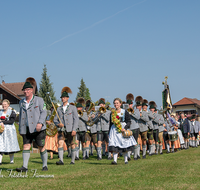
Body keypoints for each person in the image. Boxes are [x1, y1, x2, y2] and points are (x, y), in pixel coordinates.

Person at [16, 77, 47, 172]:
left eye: (28, 90)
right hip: (26, 128)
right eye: (24, 90)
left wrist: (40, 123)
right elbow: (21, 115)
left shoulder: (39, 100)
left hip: (38, 128)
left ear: (32, 90)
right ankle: (24, 167)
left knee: (41, 146)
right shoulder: (21, 102)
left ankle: (45, 165)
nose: (26, 92)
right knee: (26, 145)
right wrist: (20, 128)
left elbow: (44, 112)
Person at [53, 86, 78, 165]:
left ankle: (73, 161)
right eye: (62, 97)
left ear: (68, 98)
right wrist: (58, 124)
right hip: (61, 130)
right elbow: (55, 120)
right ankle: (61, 161)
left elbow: (76, 119)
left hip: (70, 129)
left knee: (72, 144)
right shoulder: (58, 109)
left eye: (64, 97)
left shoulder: (73, 108)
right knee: (60, 143)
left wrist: (74, 129)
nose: (62, 99)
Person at [109, 98, 136, 165]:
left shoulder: (124, 111)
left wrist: (125, 127)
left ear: (120, 104)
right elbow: (111, 123)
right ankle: (115, 160)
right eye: (115, 103)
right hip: (114, 130)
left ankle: (126, 160)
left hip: (122, 128)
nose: (116, 104)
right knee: (115, 144)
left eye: (117, 103)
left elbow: (129, 121)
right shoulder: (112, 112)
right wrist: (109, 131)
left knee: (124, 144)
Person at [0, 99, 20, 164]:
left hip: (10, 131)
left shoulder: (12, 112)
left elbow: (11, 121)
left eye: (5, 104)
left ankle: (11, 160)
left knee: (10, 144)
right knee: (1, 144)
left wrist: (2, 121)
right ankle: (0, 161)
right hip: (1, 131)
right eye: (3, 104)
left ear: (8, 105)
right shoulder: (0, 112)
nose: (4, 106)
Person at [126, 93, 140, 161]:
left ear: (132, 104)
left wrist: (132, 112)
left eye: (130, 104)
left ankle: (135, 155)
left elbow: (138, 117)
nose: (129, 105)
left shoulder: (136, 110)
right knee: (128, 142)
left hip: (135, 127)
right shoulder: (125, 110)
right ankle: (128, 156)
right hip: (128, 127)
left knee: (135, 142)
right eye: (128, 104)